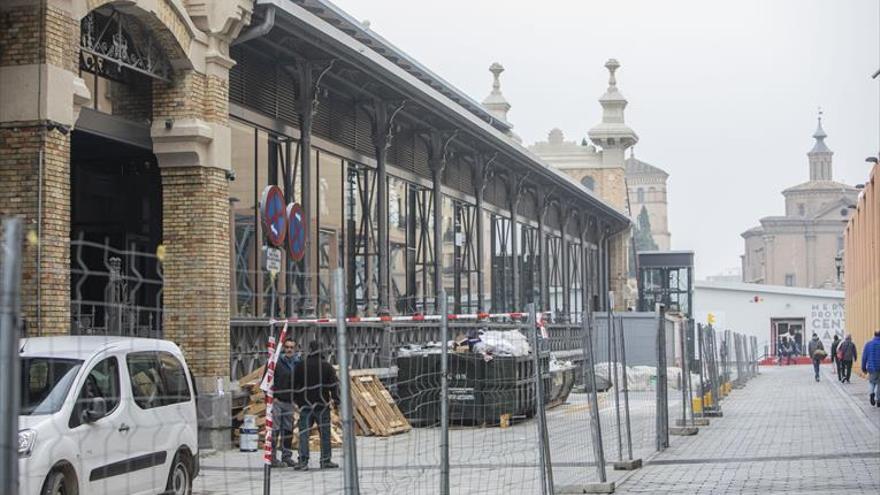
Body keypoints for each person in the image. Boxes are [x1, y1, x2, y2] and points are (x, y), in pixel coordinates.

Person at [292, 341, 340, 470]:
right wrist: (337, 402)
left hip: (305, 406)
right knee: (324, 433)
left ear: (309, 350)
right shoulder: (326, 366)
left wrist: (298, 401)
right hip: (322, 405)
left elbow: (294, 386)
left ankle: (303, 461)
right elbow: (333, 387)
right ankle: (325, 460)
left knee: (304, 434)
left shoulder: (300, 366)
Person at [270, 338, 301, 468]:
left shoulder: (298, 363)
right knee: (275, 429)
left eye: (291, 347)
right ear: (284, 348)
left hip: (290, 402)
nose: (289, 349)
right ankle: (272, 457)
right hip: (277, 400)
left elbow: (300, 383)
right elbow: (268, 380)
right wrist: (273, 397)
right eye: (287, 347)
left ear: (295, 349)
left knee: (288, 430)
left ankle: (286, 456)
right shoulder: (277, 362)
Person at [861, 329, 880, 407]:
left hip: (872, 368)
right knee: (879, 384)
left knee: (872, 382)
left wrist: (863, 368)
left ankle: (872, 395)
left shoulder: (868, 344)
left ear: (874, 335)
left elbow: (864, 357)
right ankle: (878, 400)